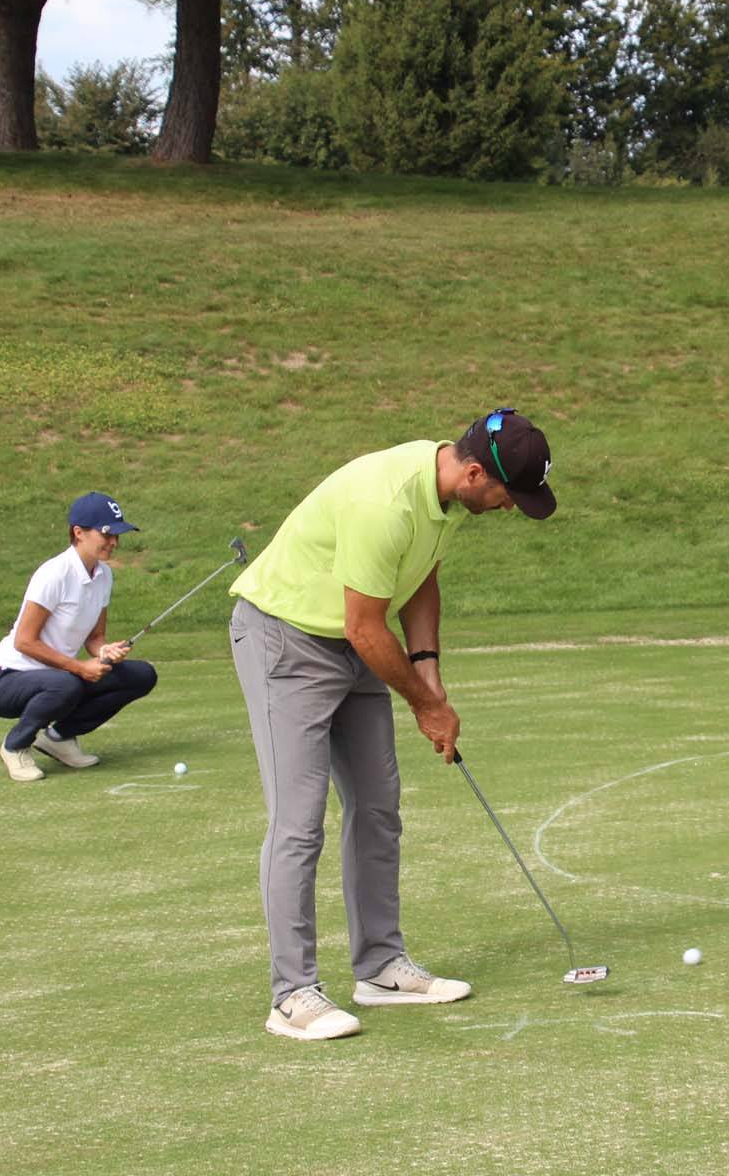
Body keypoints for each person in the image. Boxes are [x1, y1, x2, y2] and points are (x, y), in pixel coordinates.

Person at [229, 409, 557, 1041]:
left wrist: (429, 672)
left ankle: (380, 967)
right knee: (299, 821)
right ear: (473, 474)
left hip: (353, 641)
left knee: (378, 805)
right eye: (508, 495)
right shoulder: (386, 503)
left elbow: (420, 579)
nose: (510, 508)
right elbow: (365, 626)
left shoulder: (443, 497)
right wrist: (425, 706)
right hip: (285, 641)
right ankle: (291, 994)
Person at [0, 493, 158, 782]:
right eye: (106, 534)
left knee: (141, 675)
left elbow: (95, 637)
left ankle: (59, 738)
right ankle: (15, 746)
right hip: (6, 679)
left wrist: (104, 650)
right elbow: (24, 641)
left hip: (59, 678)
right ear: (79, 532)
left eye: (116, 535)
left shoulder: (103, 575)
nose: (114, 541)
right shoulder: (54, 573)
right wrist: (79, 668)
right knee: (67, 683)